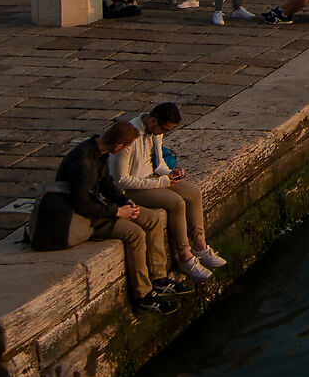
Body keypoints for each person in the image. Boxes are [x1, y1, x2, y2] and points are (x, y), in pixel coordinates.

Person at [27, 119, 178, 312]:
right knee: (135, 234)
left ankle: (159, 278)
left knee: (153, 219)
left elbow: (106, 182)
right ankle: (144, 295)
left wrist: (125, 203)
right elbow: (81, 204)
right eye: (127, 147)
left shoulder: (100, 150)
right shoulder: (84, 162)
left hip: (99, 205)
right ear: (119, 146)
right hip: (81, 217)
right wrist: (117, 212)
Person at [115, 102, 223, 282]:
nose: (164, 134)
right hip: (134, 187)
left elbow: (158, 164)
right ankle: (184, 256)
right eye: (164, 130)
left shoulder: (155, 132)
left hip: (154, 178)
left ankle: (199, 245)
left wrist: (170, 173)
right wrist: (160, 182)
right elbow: (121, 180)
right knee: (176, 202)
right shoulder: (130, 137)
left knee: (193, 193)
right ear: (153, 121)